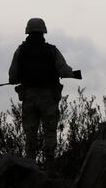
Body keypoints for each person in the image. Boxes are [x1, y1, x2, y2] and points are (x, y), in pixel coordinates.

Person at [8, 18, 81, 173]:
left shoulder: (20, 50)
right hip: (48, 97)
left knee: (30, 134)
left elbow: (12, 76)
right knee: (49, 132)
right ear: (43, 31)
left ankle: (30, 168)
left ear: (28, 31)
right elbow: (64, 70)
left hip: (29, 97)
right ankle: (49, 168)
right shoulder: (52, 50)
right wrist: (71, 73)